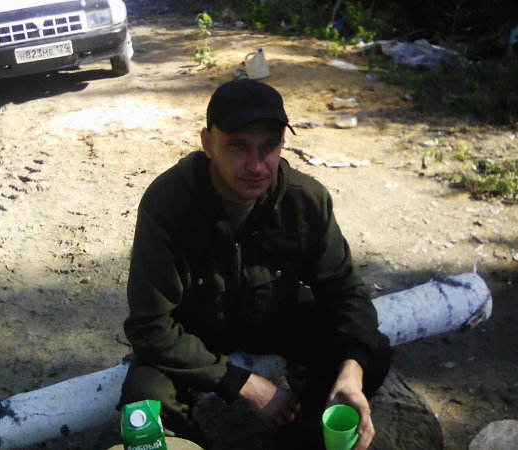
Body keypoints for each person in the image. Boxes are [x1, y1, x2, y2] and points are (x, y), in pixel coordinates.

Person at [118, 78, 391, 449]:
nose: (257, 165)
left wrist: (351, 372)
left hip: (274, 320)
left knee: (370, 351)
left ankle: (301, 434)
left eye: (269, 146)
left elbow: (347, 293)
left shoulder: (304, 200)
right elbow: (149, 326)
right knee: (142, 409)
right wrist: (244, 384)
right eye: (238, 146)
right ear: (207, 143)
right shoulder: (167, 204)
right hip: (194, 336)